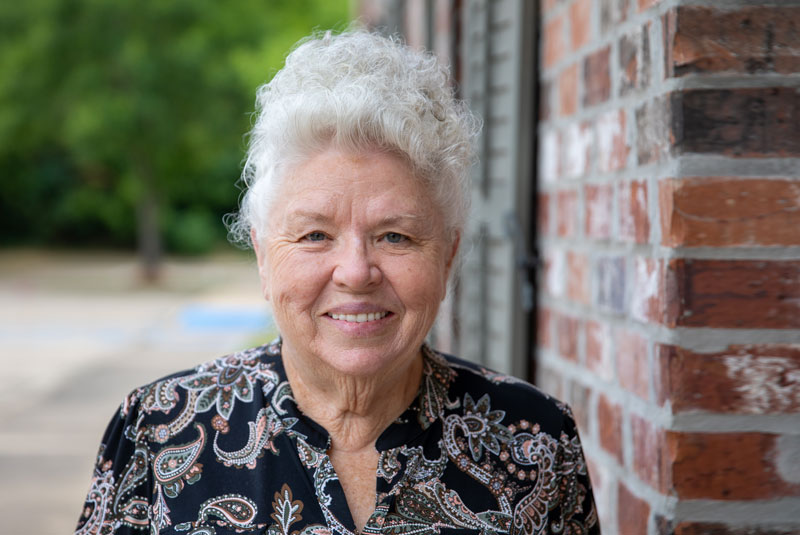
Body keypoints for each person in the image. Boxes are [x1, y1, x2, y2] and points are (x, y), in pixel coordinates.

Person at [75, 30, 599, 535]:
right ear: (262, 255)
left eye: (395, 237)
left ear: (448, 257)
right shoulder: (157, 430)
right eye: (315, 235)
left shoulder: (536, 441)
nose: (355, 272)